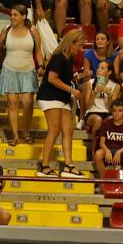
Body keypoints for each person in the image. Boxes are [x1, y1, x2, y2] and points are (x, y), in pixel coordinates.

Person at [36, 28, 85, 177]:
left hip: (61, 97)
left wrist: (78, 77)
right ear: (72, 43)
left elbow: (62, 77)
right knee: (54, 129)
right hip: (50, 96)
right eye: (80, 45)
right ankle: (44, 166)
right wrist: (71, 90)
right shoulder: (59, 56)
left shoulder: (68, 58)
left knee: (68, 130)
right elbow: (51, 78)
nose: (80, 49)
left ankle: (69, 165)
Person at [0, 5, 41, 145]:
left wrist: (41, 66)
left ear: (24, 16)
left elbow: (38, 51)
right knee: (12, 104)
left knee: (28, 103)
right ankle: (15, 135)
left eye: (15, 15)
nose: (12, 17)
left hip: (28, 70)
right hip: (10, 69)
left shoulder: (33, 31)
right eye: (12, 14)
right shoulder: (6, 30)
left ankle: (25, 132)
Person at [93, 99, 123, 176]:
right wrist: (107, 151)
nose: (117, 113)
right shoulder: (106, 123)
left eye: (120, 111)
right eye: (114, 110)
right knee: (98, 154)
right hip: (108, 148)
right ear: (112, 112)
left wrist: (119, 152)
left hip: (122, 150)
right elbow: (101, 143)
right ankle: (103, 180)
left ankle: (121, 178)